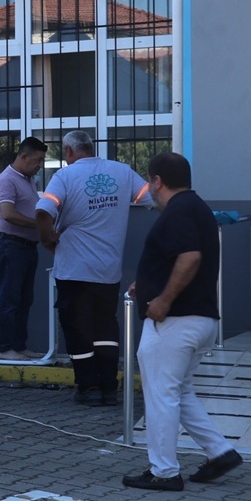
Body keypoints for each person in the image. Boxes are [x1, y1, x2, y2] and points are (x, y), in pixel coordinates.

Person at [124, 152, 241, 492]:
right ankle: (220, 452)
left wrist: (162, 299)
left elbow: (189, 257)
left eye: (149, 181)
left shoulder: (178, 211)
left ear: (158, 181)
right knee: (178, 390)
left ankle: (164, 471)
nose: (149, 189)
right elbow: (179, 258)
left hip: (176, 321)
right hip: (199, 320)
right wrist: (147, 284)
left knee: (161, 395)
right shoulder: (196, 207)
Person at [35, 130, 151, 407]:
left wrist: (47, 239)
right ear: (91, 147)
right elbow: (152, 197)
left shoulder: (65, 176)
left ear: (68, 151)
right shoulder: (122, 172)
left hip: (73, 269)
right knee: (105, 327)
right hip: (107, 270)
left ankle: (89, 388)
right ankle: (109, 387)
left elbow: (43, 211)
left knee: (77, 328)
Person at [0, 137, 47, 359]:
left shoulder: (27, 179)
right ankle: (5, 349)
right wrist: (39, 225)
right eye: (38, 160)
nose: (40, 165)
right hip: (12, 246)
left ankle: (19, 346)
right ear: (23, 157)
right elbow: (8, 214)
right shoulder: (7, 180)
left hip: (27, 247)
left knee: (24, 300)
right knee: (10, 300)